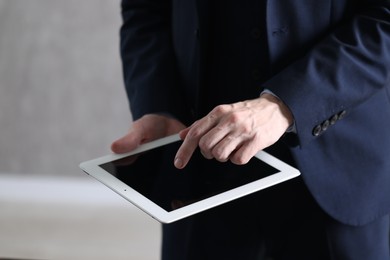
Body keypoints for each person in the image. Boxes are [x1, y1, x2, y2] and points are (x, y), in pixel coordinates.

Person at [111, 1, 390, 259]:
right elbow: (145, 10)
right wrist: (159, 105)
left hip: (340, 171)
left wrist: (286, 104)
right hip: (200, 168)